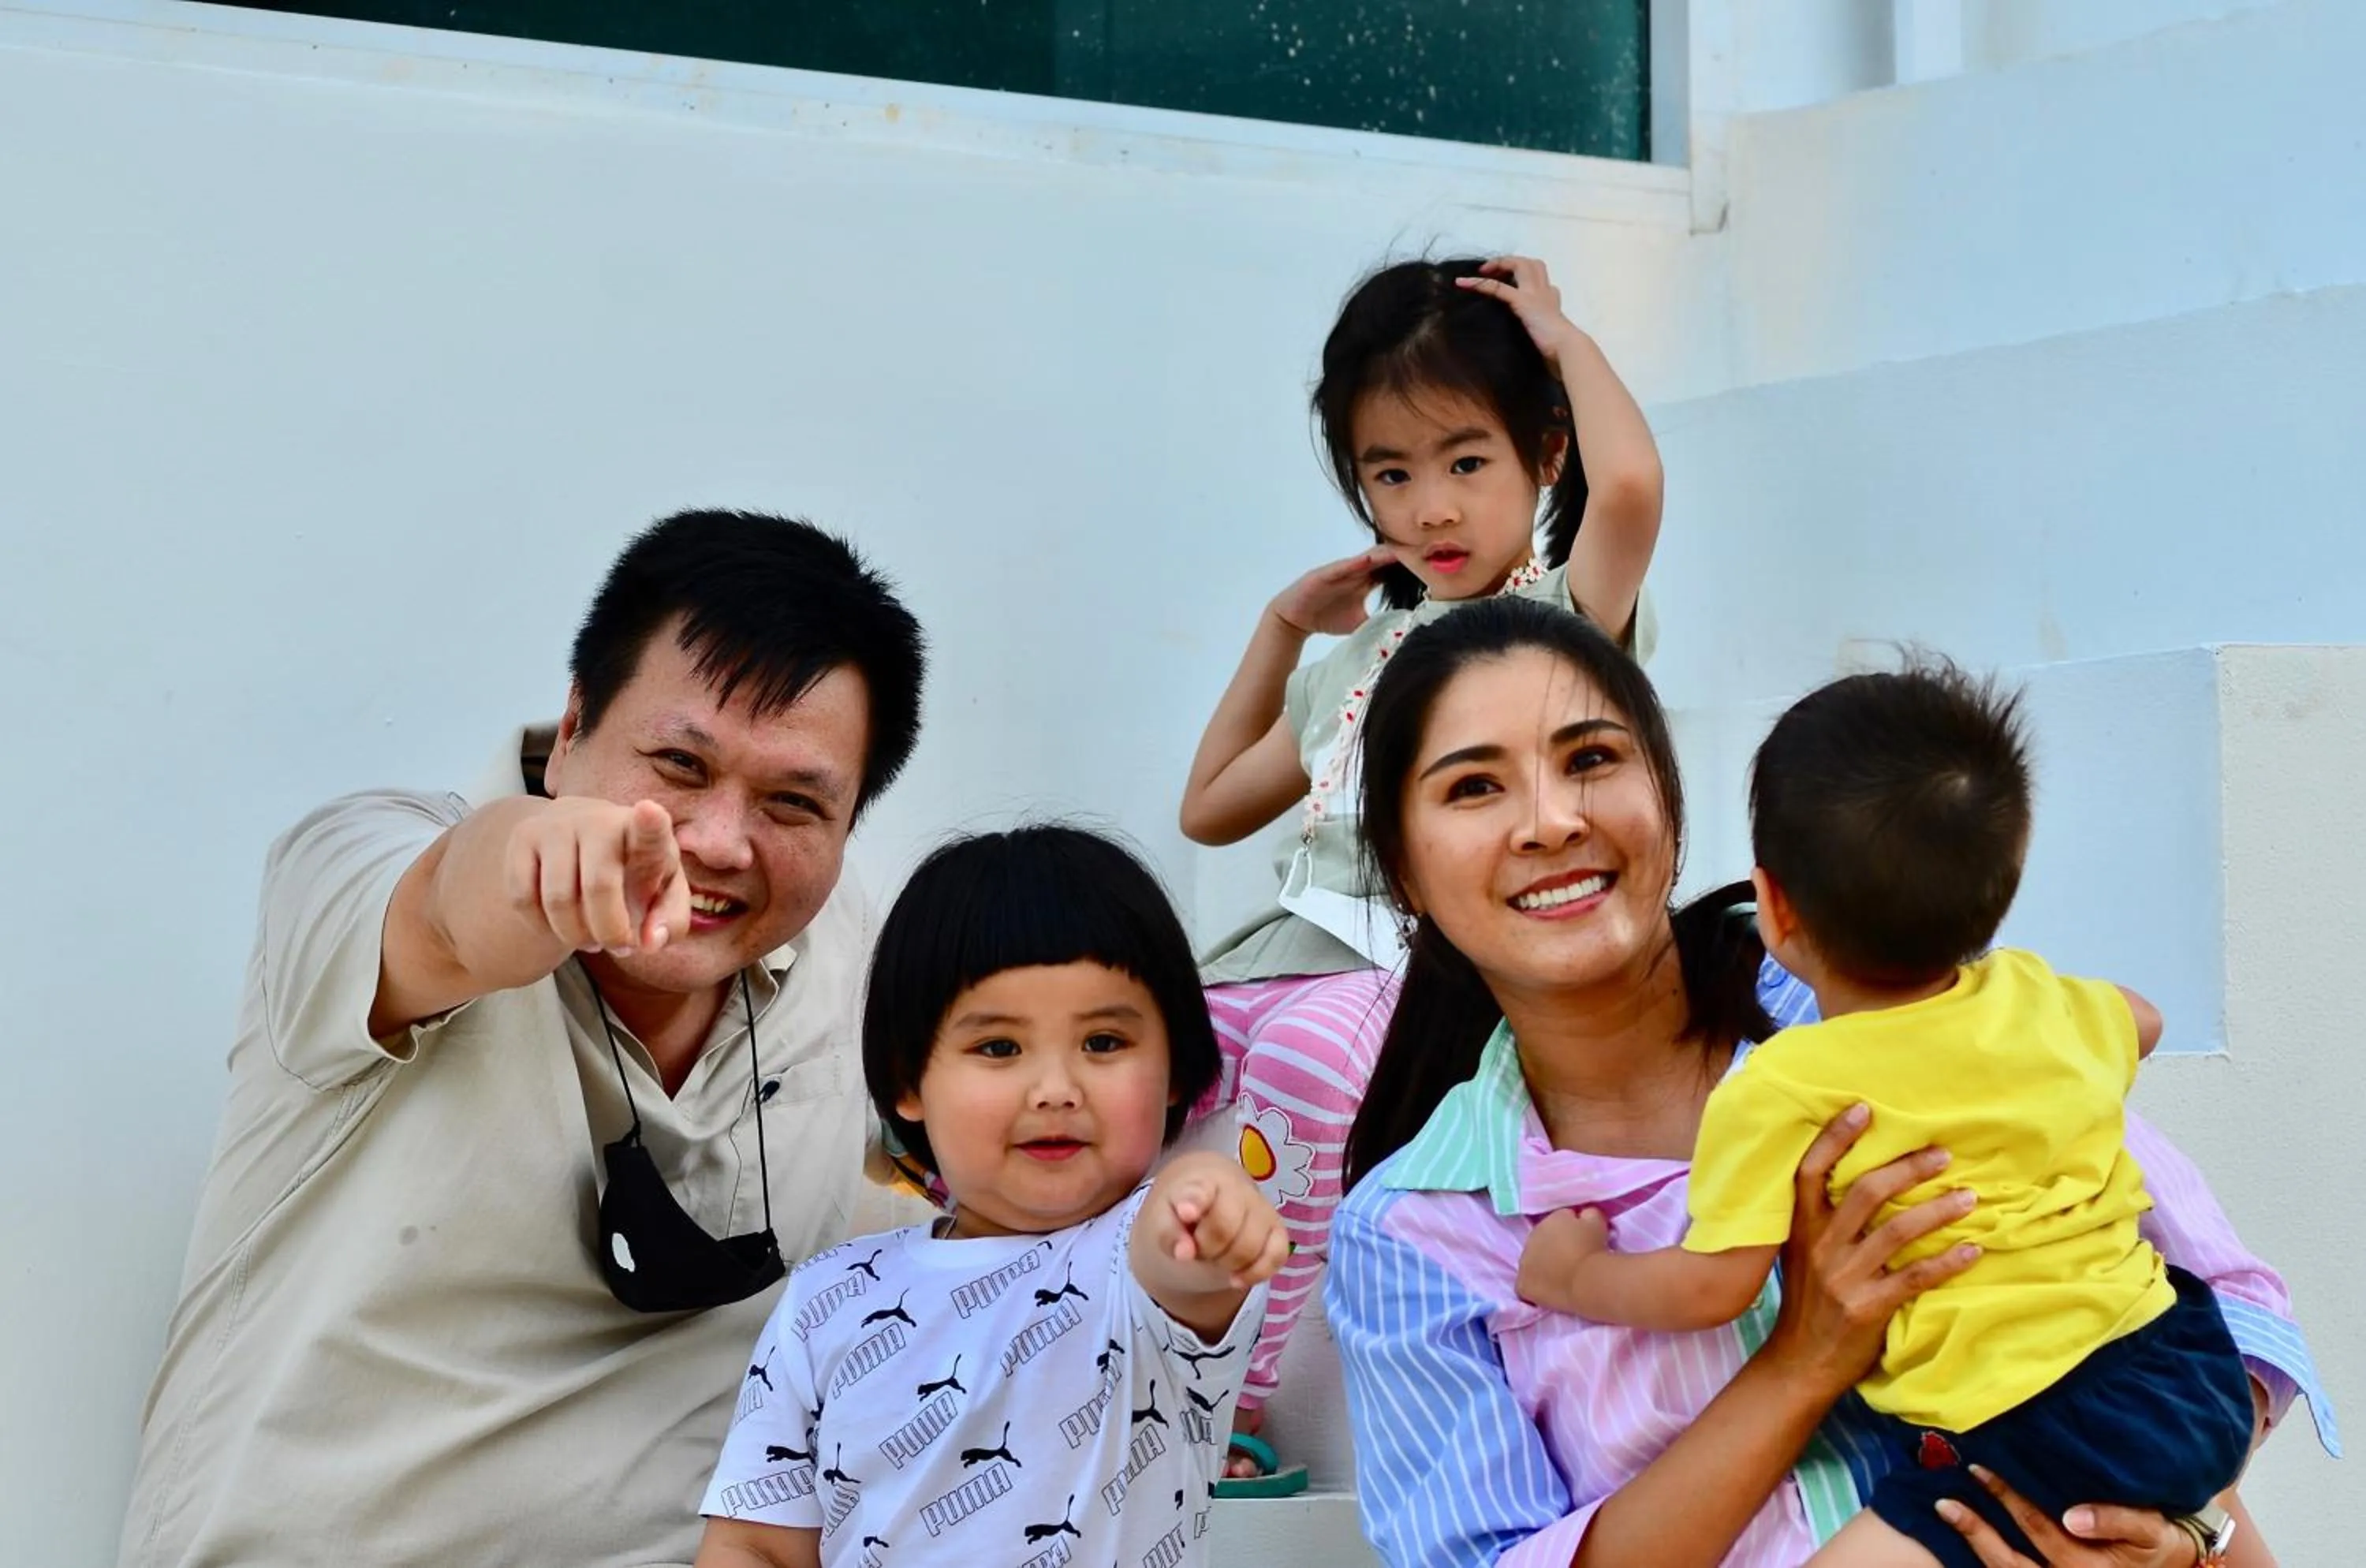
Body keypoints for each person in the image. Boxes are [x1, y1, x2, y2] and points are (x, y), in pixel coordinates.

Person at [1325, 596, 2338, 1568]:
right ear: (1403, 867)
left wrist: (2175, 1529)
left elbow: (2218, 1302)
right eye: (1473, 786)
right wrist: (1805, 1356)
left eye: (1590, 758)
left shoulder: (1888, 1007)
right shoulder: (1416, 1232)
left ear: (1669, 797)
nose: (1549, 823)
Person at [118, 510, 927, 1568]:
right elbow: (456, 909)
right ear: (575, 721)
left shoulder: (848, 948)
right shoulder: (348, 862)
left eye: (793, 802)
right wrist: (537, 866)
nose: (721, 842)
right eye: (680, 766)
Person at [1517, 663, 2254, 1566]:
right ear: (2001, 887)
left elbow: (1715, 1286)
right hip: (2187, 1363)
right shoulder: (2035, 995)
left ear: (1774, 905)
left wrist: (1573, 1276)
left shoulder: (1788, 1083)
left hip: (2027, 1420)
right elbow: (2143, 1020)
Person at [1177, 255, 1665, 1480]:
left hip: (1419, 979)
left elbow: (1637, 489)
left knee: (1307, 1052)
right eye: (1389, 475)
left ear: (1544, 453)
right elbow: (1210, 807)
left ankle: (1230, 1390)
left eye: (1464, 462)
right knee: (1141, 1047)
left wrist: (1561, 335)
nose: (1429, 510)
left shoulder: (1553, 620)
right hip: (1291, 953)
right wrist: (1285, 630)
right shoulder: (1366, 656)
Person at [695, 826, 1285, 1568]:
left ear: (1174, 1073)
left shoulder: (1143, 1261)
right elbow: (755, 1543)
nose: (1056, 1090)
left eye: (1103, 1042)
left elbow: (1182, 1262)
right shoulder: (826, 1296)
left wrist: (1207, 1203)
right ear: (909, 1080)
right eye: (999, 1048)